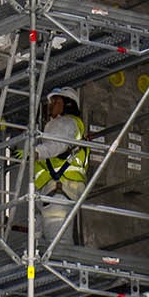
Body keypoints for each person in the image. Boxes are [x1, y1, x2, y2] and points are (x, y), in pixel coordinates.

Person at [28, 87, 89, 239]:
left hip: (59, 189)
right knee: (43, 245)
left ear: (68, 104)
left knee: (56, 246)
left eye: (56, 101)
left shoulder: (64, 122)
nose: (51, 105)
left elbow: (56, 145)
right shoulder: (70, 125)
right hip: (59, 189)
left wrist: (35, 153)